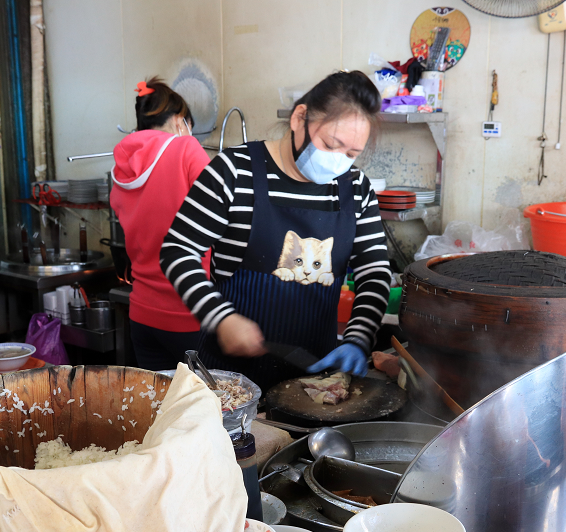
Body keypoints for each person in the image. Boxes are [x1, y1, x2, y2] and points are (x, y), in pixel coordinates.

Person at [160, 71, 391, 390]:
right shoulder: (234, 173)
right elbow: (177, 251)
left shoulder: (356, 190)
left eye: (351, 155)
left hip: (316, 382)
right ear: (300, 117)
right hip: (229, 384)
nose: (338, 162)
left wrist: (358, 338)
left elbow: (374, 271)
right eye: (330, 144)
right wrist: (220, 318)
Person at [110, 77, 212, 371]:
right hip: (190, 313)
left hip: (142, 315)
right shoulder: (186, 150)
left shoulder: (121, 167)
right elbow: (226, 214)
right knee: (209, 411)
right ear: (181, 120)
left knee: (160, 408)